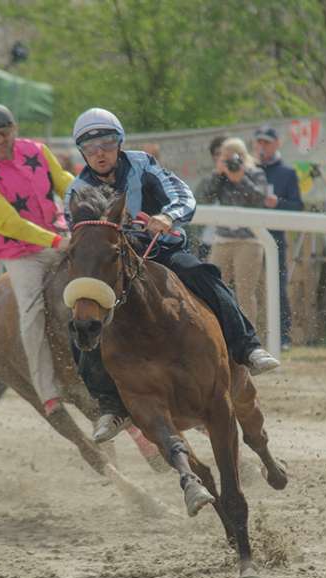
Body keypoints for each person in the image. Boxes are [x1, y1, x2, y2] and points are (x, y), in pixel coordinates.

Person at [64, 108, 279, 442]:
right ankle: (109, 405)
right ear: (82, 153)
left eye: (106, 142)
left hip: (160, 250)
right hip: (113, 265)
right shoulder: (76, 190)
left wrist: (168, 216)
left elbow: (183, 196)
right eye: (90, 148)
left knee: (203, 274)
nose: (100, 152)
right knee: (79, 319)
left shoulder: (143, 165)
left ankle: (247, 346)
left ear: (118, 142)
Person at [0, 103, 72, 416]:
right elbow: (7, 223)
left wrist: (91, 196)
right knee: (31, 311)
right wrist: (54, 240)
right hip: (19, 253)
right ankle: (47, 391)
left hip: (57, 235)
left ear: (14, 129)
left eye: (4, 133)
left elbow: (65, 182)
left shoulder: (39, 151)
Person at [196, 137, 269, 329]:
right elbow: (204, 197)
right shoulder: (220, 176)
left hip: (249, 241)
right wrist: (218, 175)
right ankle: (216, 332)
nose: (229, 162)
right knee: (213, 287)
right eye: (224, 157)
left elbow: (260, 199)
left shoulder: (255, 173)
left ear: (242, 156)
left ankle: (250, 338)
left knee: (245, 292)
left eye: (232, 157)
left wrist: (241, 179)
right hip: (222, 239)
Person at [255, 125, 305, 350]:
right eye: (259, 142)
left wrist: (279, 204)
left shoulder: (287, 173)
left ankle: (283, 337)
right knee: (249, 288)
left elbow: (298, 207)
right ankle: (253, 334)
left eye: (266, 142)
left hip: (275, 239)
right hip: (249, 237)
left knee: (278, 288)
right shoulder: (249, 169)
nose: (262, 146)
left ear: (276, 144)